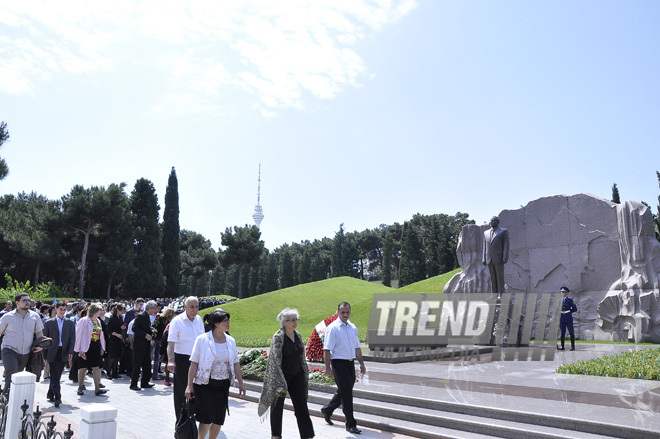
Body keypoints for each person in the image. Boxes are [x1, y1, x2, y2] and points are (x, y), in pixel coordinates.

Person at [185, 309, 246, 439]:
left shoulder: (231, 341)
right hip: (204, 384)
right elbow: (194, 363)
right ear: (217, 323)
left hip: (222, 385)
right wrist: (189, 386)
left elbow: (235, 363)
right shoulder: (202, 339)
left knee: (218, 418)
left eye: (228, 320)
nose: (228, 322)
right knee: (206, 419)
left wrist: (241, 383)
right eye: (225, 320)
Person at [259, 308, 314, 439]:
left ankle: (307, 435)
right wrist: (281, 382)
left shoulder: (298, 335)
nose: (294, 322)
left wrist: (305, 373)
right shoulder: (278, 337)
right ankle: (276, 435)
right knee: (277, 408)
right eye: (291, 320)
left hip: (297, 376)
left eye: (296, 319)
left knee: (302, 406)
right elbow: (274, 360)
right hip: (281, 376)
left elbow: (301, 357)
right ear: (284, 322)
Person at [322, 302, 366, 435]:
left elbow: (357, 348)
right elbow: (327, 349)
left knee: (345, 390)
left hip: (350, 363)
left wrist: (362, 364)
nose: (345, 314)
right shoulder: (333, 328)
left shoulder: (353, 327)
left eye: (347, 312)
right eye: (343, 312)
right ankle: (350, 424)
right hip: (338, 363)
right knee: (347, 393)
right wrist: (327, 368)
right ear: (338, 312)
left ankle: (328, 409)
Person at [167, 296, 205, 418]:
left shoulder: (199, 320)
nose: (194, 310)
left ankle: (192, 416)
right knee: (181, 391)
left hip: (198, 361)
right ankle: (181, 421)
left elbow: (203, 340)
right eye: (192, 307)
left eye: (197, 307)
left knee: (197, 391)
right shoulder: (177, 321)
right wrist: (171, 361)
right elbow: (171, 343)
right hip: (182, 360)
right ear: (185, 307)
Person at [0, 292, 45, 393]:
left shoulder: (35, 316)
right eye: (24, 300)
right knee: (12, 375)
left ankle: (14, 400)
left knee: (18, 378)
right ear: (17, 302)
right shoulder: (7, 316)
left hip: (26, 353)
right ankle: (7, 400)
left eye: (28, 300)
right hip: (9, 351)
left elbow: (39, 333)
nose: (27, 302)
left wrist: (41, 345)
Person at [42, 301, 76, 407]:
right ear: (55, 309)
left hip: (64, 351)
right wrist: (44, 354)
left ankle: (50, 393)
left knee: (57, 374)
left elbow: (72, 339)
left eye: (64, 310)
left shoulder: (69, 323)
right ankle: (58, 396)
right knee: (55, 374)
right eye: (60, 309)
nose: (62, 312)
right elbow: (44, 339)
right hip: (52, 351)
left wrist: (71, 351)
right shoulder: (49, 323)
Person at [74, 303, 107, 396]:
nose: (100, 312)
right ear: (95, 311)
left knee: (97, 367)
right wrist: (79, 349)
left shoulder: (98, 321)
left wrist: (102, 347)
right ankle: (80, 387)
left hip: (96, 345)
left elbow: (101, 335)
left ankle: (97, 389)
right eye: (99, 310)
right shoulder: (83, 320)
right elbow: (78, 335)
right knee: (83, 368)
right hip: (85, 346)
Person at [130, 300, 157, 390]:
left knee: (147, 365)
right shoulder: (141, 316)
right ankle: (133, 384)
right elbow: (134, 328)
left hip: (145, 345)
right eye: (154, 308)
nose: (155, 310)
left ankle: (144, 383)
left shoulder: (147, 316)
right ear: (150, 308)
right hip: (139, 345)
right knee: (137, 365)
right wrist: (145, 335)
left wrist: (151, 336)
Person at [483, 216, 510, 297]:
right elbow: (484, 246)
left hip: (499, 258)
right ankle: (494, 293)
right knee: (492, 278)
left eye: (493, 220)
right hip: (489, 259)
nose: (490, 222)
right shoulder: (486, 233)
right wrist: (483, 258)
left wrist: (505, 257)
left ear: (497, 222)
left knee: (500, 277)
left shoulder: (503, 231)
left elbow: (506, 245)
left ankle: (501, 293)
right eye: (490, 221)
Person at [105, 303, 126, 379]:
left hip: (119, 339)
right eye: (121, 310)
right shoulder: (112, 318)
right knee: (112, 356)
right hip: (113, 339)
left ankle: (114, 372)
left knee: (117, 356)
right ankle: (108, 372)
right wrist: (116, 334)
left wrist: (122, 327)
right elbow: (108, 329)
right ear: (117, 310)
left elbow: (119, 326)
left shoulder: (120, 318)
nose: (122, 312)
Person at [558, 287, 578, 351]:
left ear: (566, 293)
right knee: (562, 333)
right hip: (562, 318)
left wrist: (568, 312)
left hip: (568, 318)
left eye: (564, 292)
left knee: (571, 332)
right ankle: (562, 346)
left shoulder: (570, 300)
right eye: (562, 292)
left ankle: (572, 346)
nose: (563, 293)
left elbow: (575, 309)